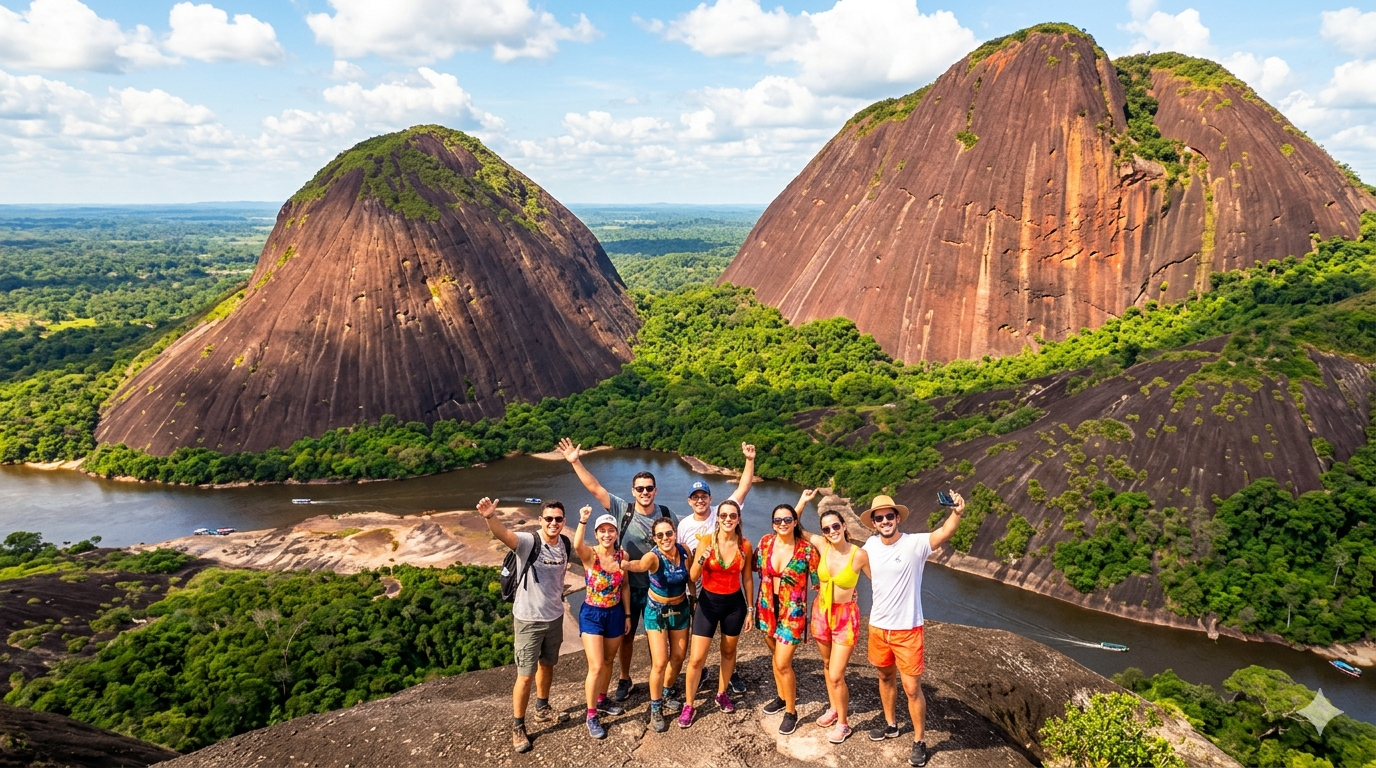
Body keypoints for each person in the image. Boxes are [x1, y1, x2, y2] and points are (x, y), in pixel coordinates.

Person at [558, 437, 679, 703]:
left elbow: (681, 544)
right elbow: (595, 488)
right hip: (628, 586)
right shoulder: (623, 510)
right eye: (640, 489)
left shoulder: (668, 513)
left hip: (657, 591)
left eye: (649, 488)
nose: (645, 492)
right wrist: (575, 462)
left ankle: (659, 682)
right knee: (626, 636)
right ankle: (625, 679)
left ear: (655, 491)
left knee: (657, 639)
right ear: (633, 491)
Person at [861, 490, 965, 768]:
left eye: (889, 516)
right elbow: (861, 569)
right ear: (873, 523)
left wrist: (956, 512)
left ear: (898, 518)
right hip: (878, 627)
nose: (885, 521)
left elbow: (944, 532)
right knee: (884, 679)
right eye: (879, 518)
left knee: (911, 688)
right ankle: (891, 724)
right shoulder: (869, 546)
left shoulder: (915, 544)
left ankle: (919, 740)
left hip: (908, 629)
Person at [478, 497, 572, 754]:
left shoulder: (564, 543)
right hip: (529, 619)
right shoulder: (531, 541)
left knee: (548, 664)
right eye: (549, 518)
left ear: (564, 521)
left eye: (559, 519)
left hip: (554, 616)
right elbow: (505, 535)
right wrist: (490, 517)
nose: (554, 523)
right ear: (541, 520)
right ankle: (518, 726)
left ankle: (542, 708)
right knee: (526, 674)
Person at [676, 442, 756, 697]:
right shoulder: (685, 526)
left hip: (731, 596)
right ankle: (693, 694)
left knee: (728, 649)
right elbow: (683, 560)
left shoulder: (724, 517)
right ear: (689, 501)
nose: (700, 500)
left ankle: (728, 680)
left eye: (704, 496)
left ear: (711, 500)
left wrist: (749, 460)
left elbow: (743, 488)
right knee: (697, 654)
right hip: (701, 594)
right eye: (695, 497)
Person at [798, 488, 870, 744]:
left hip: (845, 618)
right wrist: (804, 501)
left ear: (844, 525)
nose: (831, 531)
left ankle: (844, 723)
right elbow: (794, 528)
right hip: (821, 613)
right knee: (827, 667)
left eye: (835, 526)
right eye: (826, 528)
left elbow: (880, 582)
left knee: (837, 673)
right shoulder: (822, 545)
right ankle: (833, 707)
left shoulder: (859, 554)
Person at [679, 497, 754, 728]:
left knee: (729, 652)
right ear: (717, 518)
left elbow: (748, 578)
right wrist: (702, 556)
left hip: (734, 604)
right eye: (723, 516)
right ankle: (689, 705)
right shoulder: (706, 541)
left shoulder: (745, 545)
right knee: (696, 659)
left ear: (738, 518)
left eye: (732, 515)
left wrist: (750, 609)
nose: (728, 519)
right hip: (708, 603)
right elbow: (692, 576)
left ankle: (721, 693)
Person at [622, 518, 694, 732]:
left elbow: (690, 577)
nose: (665, 538)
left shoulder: (684, 550)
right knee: (660, 662)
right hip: (657, 611)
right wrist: (624, 564)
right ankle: (655, 708)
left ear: (675, 533)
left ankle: (667, 690)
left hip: (681, 608)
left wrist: (695, 597)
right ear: (654, 538)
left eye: (669, 533)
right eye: (660, 535)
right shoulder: (653, 556)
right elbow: (639, 565)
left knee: (679, 656)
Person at [754, 501, 819, 735]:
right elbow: (753, 567)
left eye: (788, 520)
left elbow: (820, 582)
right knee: (776, 658)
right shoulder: (765, 543)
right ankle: (781, 697)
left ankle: (791, 711)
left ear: (795, 522)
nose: (783, 523)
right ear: (773, 524)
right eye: (778, 520)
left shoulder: (807, 550)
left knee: (782, 662)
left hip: (792, 613)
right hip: (768, 608)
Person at [572, 505, 632, 740]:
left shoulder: (622, 556)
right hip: (592, 614)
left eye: (611, 530)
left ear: (616, 533)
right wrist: (583, 520)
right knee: (596, 665)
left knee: (608, 661)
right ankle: (591, 715)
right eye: (602, 531)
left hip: (615, 613)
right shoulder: (590, 555)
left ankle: (602, 698)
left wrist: (627, 615)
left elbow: (625, 585)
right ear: (596, 534)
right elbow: (577, 546)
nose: (607, 535)